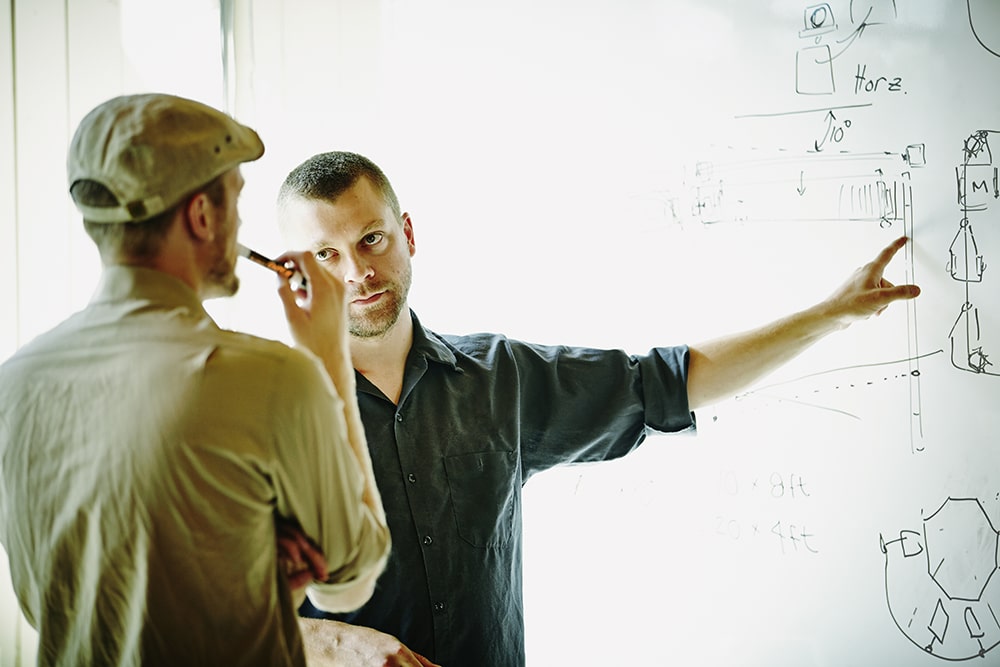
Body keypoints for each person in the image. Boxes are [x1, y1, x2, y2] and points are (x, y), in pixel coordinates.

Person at [274, 150, 921, 666]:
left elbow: (668, 382)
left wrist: (828, 316)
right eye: (326, 254)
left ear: (407, 232)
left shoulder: (499, 377)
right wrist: (330, 643)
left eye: (372, 239)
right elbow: (203, 611)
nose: (358, 271)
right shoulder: (263, 412)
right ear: (293, 271)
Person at [0, 96, 392, 666]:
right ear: (203, 216)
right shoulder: (273, 381)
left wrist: (244, 587)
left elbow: (64, 604)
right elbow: (350, 578)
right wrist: (328, 355)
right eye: (235, 197)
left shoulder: (13, 388)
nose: (239, 222)